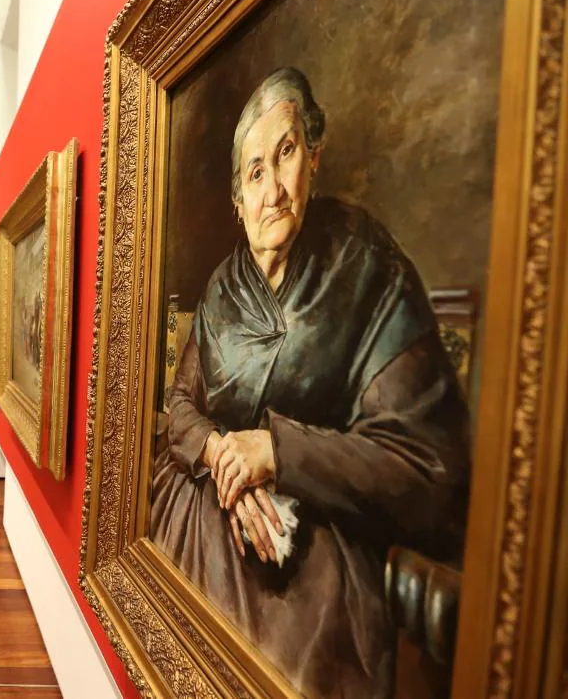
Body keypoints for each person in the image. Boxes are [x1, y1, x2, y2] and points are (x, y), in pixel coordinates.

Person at [148, 67, 470, 697]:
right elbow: (181, 402)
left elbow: (428, 463)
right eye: (254, 172)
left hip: (317, 539)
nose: (274, 191)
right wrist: (222, 458)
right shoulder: (221, 287)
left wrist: (274, 454)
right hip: (208, 503)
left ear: (314, 159)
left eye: (286, 153)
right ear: (237, 201)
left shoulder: (364, 262)